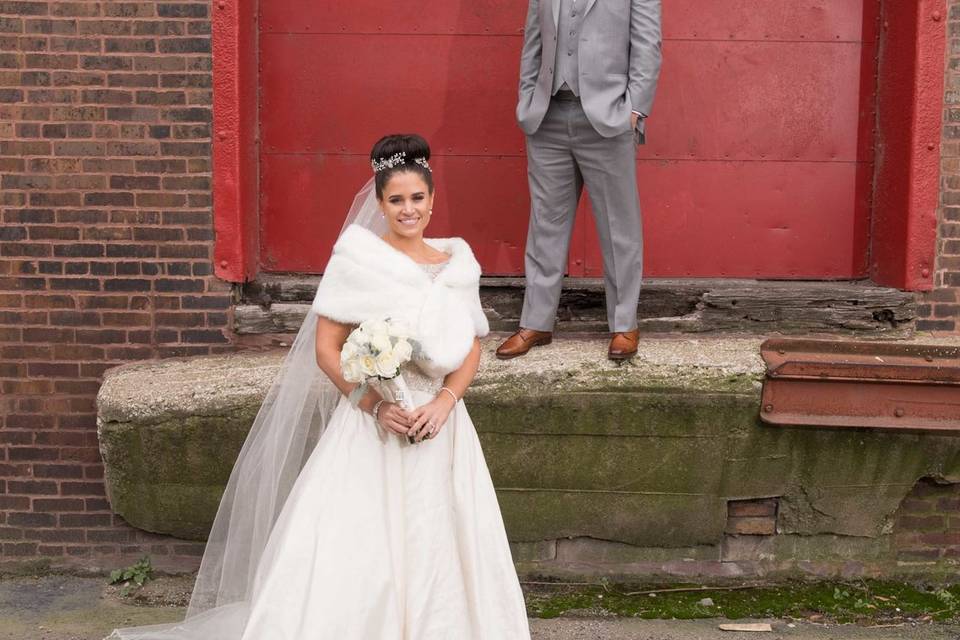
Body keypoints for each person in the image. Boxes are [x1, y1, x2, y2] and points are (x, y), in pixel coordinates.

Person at [106, 134, 531, 640]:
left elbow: (471, 345)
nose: (408, 209)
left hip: (442, 426)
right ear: (379, 204)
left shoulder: (457, 264)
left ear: (433, 199)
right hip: (378, 427)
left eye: (417, 198)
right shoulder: (358, 260)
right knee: (362, 541)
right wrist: (371, 404)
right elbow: (327, 349)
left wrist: (444, 402)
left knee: (443, 534)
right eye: (396, 199)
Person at [497, 0, 662, 362]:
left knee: (619, 227)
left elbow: (648, 44)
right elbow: (534, 42)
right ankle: (536, 322)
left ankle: (623, 325)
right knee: (546, 222)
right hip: (548, 115)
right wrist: (527, 100)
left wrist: (635, 110)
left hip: (609, 117)